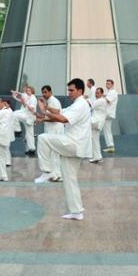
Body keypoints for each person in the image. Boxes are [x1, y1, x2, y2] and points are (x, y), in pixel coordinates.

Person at [35, 78, 92, 221]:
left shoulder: (80, 104)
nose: (69, 93)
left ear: (80, 90)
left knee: (42, 138)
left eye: (72, 90)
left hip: (73, 143)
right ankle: (77, 212)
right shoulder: (77, 104)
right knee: (69, 179)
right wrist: (44, 115)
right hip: (76, 146)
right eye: (68, 90)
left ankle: (47, 171)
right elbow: (59, 113)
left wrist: (44, 111)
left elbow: (63, 119)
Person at [12, 85, 38, 155]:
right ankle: (32, 149)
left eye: (29, 91)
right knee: (30, 134)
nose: (27, 92)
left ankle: (18, 131)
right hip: (27, 115)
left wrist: (25, 102)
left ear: (32, 91)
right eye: (27, 91)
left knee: (14, 114)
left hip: (29, 117)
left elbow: (31, 109)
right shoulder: (30, 98)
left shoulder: (33, 98)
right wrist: (16, 97)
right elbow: (24, 103)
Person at [89, 87, 107, 163]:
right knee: (95, 140)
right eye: (96, 93)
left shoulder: (101, 100)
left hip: (96, 122)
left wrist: (83, 99)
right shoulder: (99, 100)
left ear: (102, 94)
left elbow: (91, 105)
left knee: (82, 122)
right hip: (96, 122)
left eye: (98, 93)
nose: (96, 94)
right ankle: (97, 156)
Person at [102, 79, 118, 153]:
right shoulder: (109, 92)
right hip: (107, 113)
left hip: (108, 113)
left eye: (109, 84)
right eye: (106, 83)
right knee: (107, 130)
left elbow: (107, 101)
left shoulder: (113, 92)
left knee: (106, 130)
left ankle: (111, 146)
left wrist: (99, 100)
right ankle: (110, 147)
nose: (107, 85)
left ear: (112, 85)